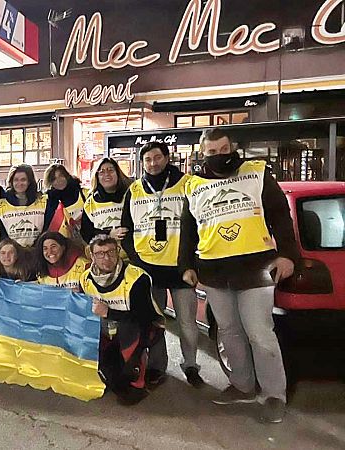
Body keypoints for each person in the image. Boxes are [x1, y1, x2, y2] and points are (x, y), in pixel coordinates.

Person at [180, 128, 298, 423]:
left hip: (255, 269)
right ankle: (242, 385)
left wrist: (288, 255)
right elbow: (188, 231)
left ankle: (273, 394)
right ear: (202, 153)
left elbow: (281, 216)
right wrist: (186, 266)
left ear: (231, 148)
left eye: (223, 150)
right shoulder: (192, 185)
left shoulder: (257, 173)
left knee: (260, 332)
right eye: (212, 152)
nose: (219, 156)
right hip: (215, 271)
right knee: (229, 332)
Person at [120, 141, 203, 388]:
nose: (153, 163)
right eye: (147, 159)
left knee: (187, 324)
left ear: (167, 158)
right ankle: (158, 366)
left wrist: (192, 261)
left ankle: (191, 366)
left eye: (157, 157)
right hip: (148, 268)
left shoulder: (187, 183)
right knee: (155, 322)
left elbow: (200, 223)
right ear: (142, 163)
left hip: (180, 267)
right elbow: (125, 229)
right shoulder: (134, 189)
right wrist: (136, 259)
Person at [80, 235, 164, 405]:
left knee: (128, 392)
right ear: (92, 256)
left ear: (118, 251)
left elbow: (144, 318)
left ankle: (139, 378)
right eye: (100, 253)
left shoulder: (136, 277)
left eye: (111, 252)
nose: (106, 258)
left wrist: (109, 313)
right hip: (107, 329)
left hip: (140, 329)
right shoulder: (85, 279)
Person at [80, 158, 131, 247]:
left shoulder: (131, 195)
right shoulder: (90, 202)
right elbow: (86, 233)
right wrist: (108, 234)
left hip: (132, 253)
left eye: (110, 170)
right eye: (101, 172)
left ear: (118, 173)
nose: (107, 174)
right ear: (97, 176)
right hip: (104, 255)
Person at [0, 164, 47, 248]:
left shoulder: (42, 201)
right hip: (12, 252)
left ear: (29, 182)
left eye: (23, 180)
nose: (19, 183)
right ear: (11, 182)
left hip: (37, 251)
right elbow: (1, 232)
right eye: (16, 180)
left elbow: (46, 227)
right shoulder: (3, 203)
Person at [43, 163, 88, 240]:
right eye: (54, 179)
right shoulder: (49, 201)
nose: (58, 181)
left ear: (66, 176)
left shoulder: (83, 193)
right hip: (62, 243)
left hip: (86, 239)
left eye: (61, 176)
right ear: (50, 182)